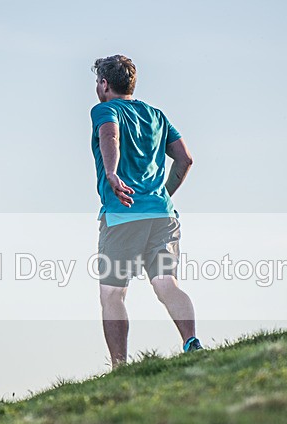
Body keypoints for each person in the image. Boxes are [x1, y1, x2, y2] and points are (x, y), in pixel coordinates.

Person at [90, 54, 203, 369]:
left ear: (104, 84)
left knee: (112, 294)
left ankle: (119, 366)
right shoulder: (156, 115)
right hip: (162, 216)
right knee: (166, 284)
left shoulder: (105, 110)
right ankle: (191, 341)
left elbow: (109, 134)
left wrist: (112, 174)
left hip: (122, 215)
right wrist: (163, 194)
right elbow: (185, 160)